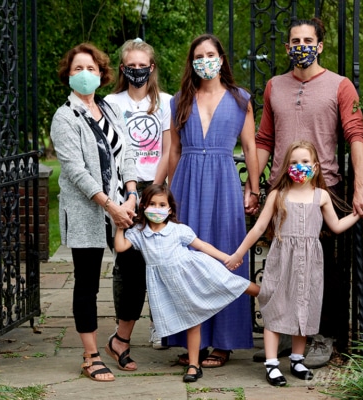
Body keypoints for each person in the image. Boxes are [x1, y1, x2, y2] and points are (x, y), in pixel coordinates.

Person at [252, 17, 363, 362]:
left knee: (325, 269)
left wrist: (360, 188)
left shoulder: (340, 85)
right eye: (295, 41)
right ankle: (287, 335)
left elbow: (356, 136)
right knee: (283, 264)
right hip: (282, 189)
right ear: (287, 47)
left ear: (320, 46)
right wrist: (252, 186)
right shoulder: (274, 86)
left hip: (325, 188)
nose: (301, 46)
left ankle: (325, 337)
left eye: (309, 40)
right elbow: (264, 139)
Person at [226, 141, 363, 385]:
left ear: (315, 167)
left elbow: (336, 226)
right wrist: (239, 253)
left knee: (304, 309)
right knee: (275, 307)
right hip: (282, 260)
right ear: (286, 168)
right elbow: (260, 227)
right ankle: (272, 365)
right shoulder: (278, 195)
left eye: (305, 162)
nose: (299, 167)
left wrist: (358, 213)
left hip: (310, 262)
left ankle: (297, 359)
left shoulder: (322, 196)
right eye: (294, 162)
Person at [167, 33, 260, 368]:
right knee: (188, 260)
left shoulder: (240, 99)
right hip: (187, 183)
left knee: (225, 255)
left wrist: (253, 186)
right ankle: (193, 340)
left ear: (221, 58)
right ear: (192, 63)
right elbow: (174, 150)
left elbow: (250, 147)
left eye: (210, 54)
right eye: (198, 56)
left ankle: (224, 341)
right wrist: (167, 194)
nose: (205, 60)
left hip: (224, 182)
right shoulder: (179, 99)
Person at [50, 43, 138, 382]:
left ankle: (120, 339)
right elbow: (75, 170)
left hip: (121, 204)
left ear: (101, 74)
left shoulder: (109, 109)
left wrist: (130, 194)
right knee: (86, 282)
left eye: (91, 68)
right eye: (77, 69)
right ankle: (90, 355)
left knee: (134, 268)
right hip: (90, 210)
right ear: (68, 76)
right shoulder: (64, 117)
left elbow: (127, 152)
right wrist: (110, 206)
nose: (85, 74)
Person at [114, 184, 260, 382]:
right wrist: (120, 227)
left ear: (170, 209)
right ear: (143, 207)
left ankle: (266, 294)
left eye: (162, 204)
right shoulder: (140, 233)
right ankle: (193, 366)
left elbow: (201, 245)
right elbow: (121, 247)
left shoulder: (178, 230)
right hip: (171, 286)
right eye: (152, 204)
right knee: (192, 322)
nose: (157, 208)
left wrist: (227, 258)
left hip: (196, 273)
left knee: (233, 283)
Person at [103, 38, 172, 370]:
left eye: (142, 65)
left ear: (152, 67)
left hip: (158, 190)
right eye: (131, 65)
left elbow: (171, 150)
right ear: (122, 68)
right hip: (122, 191)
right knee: (129, 264)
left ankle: (165, 327)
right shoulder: (109, 103)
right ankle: (122, 337)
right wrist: (129, 192)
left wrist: (156, 190)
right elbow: (109, 152)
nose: (137, 71)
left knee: (163, 260)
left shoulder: (168, 103)